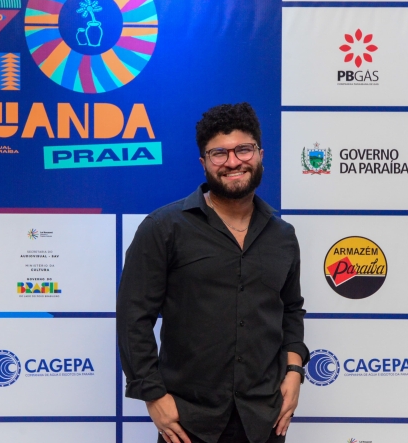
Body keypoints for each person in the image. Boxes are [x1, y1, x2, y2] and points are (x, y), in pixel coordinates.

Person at [117, 102, 308, 443]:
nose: (233, 162)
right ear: (203, 162)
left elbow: (291, 309)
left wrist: (294, 371)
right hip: (189, 423)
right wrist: (153, 396)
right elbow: (134, 317)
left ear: (260, 155)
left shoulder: (283, 235)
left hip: (264, 419)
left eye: (243, 149)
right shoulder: (163, 228)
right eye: (219, 153)